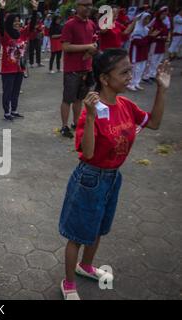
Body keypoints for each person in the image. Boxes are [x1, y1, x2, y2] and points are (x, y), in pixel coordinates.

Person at [59, 48, 172, 300]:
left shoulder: (125, 105)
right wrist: (88, 119)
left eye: (130, 70)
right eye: (124, 72)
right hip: (89, 178)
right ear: (104, 79)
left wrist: (162, 90)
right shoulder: (92, 109)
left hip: (113, 178)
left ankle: (85, 266)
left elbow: (153, 123)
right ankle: (68, 283)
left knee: (98, 228)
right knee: (77, 235)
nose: (130, 76)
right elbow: (87, 153)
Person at [59, 0, 98, 138]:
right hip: (72, 69)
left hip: (86, 68)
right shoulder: (70, 25)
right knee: (67, 99)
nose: (88, 8)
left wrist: (92, 50)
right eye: (85, 5)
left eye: (90, 5)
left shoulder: (91, 24)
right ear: (77, 7)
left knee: (79, 99)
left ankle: (76, 123)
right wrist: (88, 47)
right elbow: (66, 46)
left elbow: (94, 42)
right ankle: (64, 126)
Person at [0, 0, 38, 121]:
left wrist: (35, 10)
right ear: (10, 23)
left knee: (16, 91)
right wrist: (2, 9)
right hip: (7, 69)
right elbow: (1, 25)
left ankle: (14, 110)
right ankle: (6, 112)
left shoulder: (23, 34)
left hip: (20, 68)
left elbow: (32, 25)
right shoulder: (5, 36)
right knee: (7, 92)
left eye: (18, 21)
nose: (17, 23)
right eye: (14, 21)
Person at [127, 12, 158, 91]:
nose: (147, 21)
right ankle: (131, 84)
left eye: (148, 19)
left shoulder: (146, 29)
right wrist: (150, 36)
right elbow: (138, 43)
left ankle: (136, 82)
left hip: (143, 52)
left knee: (142, 67)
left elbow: (147, 41)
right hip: (136, 52)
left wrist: (152, 36)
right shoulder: (137, 30)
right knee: (136, 68)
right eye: (145, 19)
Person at [143, 7, 169, 83]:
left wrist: (164, 37)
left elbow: (166, 33)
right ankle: (146, 76)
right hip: (155, 44)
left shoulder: (164, 24)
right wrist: (157, 36)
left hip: (161, 44)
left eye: (165, 14)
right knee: (151, 60)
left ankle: (152, 74)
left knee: (158, 60)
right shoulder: (154, 23)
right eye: (163, 14)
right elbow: (150, 33)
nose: (164, 16)